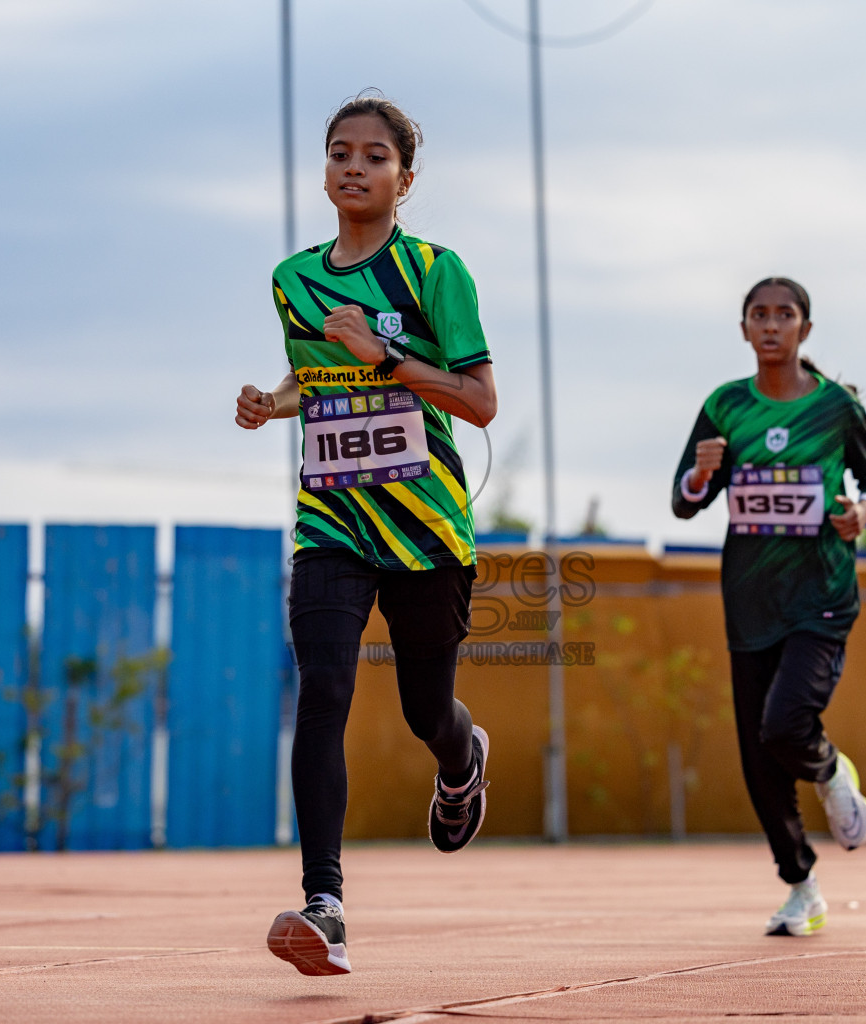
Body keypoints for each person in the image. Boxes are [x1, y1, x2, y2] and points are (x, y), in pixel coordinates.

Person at [234, 92, 497, 977]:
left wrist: (389, 357)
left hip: (425, 525)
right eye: (340, 151)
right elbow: (319, 377)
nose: (354, 165)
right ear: (324, 169)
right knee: (323, 695)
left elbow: (479, 401)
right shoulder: (292, 279)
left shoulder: (434, 271)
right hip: (333, 518)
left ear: (405, 178)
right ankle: (326, 905)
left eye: (374, 155)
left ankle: (463, 760)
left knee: (427, 709)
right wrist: (272, 404)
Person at [670, 277, 866, 937]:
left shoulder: (836, 407)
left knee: (786, 725)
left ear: (805, 330)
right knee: (757, 758)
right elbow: (683, 501)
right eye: (759, 316)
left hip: (821, 593)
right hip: (749, 600)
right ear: (744, 330)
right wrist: (703, 474)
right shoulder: (726, 407)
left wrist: (864, 511)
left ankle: (829, 771)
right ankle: (801, 887)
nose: (771, 326)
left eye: (784, 315)